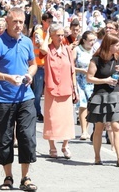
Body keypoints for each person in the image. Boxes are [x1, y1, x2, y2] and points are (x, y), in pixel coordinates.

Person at [0, 7, 38, 192]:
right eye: (15, 22)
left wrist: (30, 75)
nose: (18, 25)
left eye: (21, 22)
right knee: (5, 139)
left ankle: (26, 178)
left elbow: (33, 64)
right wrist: (6, 77)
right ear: (7, 22)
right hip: (4, 99)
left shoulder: (27, 42)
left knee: (27, 138)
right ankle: (8, 177)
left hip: (26, 97)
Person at [86, 33, 119, 167]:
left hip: (114, 94)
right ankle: (97, 157)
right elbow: (89, 78)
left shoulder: (117, 58)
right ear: (108, 45)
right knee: (99, 127)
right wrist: (105, 80)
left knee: (117, 126)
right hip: (100, 95)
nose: (118, 47)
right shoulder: (96, 59)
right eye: (116, 45)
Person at [40, 23, 77, 159]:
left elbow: (72, 70)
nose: (61, 37)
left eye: (62, 35)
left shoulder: (67, 50)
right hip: (51, 89)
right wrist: (48, 36)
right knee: (51, 118)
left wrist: (75, 89)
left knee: (67, 119)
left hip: (66, 88)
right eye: (58, 35)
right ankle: (52, 146)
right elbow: (42, 49)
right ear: (52, 36)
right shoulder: (48, 49)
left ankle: (65, 145)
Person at [74, 30, 96, 140]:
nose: (92, 42)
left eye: (94, 40)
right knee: (83, 105)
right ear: (84, 40)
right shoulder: (77, 50)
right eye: (90, 40)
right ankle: (84, 130)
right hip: (80, 80)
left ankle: (87, 128)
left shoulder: (95, 50)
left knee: (90, 106)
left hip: (92, 82)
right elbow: (70, 66)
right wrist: (81, 70)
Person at [31, 13, 53, 122]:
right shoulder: (38, 33)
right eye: (48, 21)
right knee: (38, 92)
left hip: (48, 66)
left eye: (51, 21)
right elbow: (42, 49)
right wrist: (48, 35)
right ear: (43, 21)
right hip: (39, 66)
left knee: (48, 91)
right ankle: (36, 112)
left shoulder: (48, 33)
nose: (50, 24)